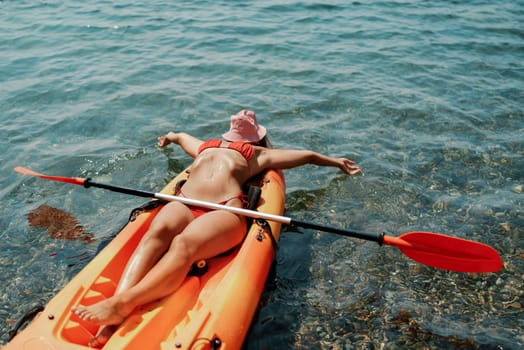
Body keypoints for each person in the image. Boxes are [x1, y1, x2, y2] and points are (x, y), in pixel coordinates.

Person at [72, 110, 361, 346]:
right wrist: (337, 163)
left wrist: (168, 139)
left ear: (228, 135)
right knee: (156, 238)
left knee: (178, 245)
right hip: (202, 205)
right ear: (259, 137)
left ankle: (122, 303)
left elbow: (179, 135)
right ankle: (114, 314)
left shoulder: (209, 147)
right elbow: (307, 155)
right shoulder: (256, 154)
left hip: (206, 205)